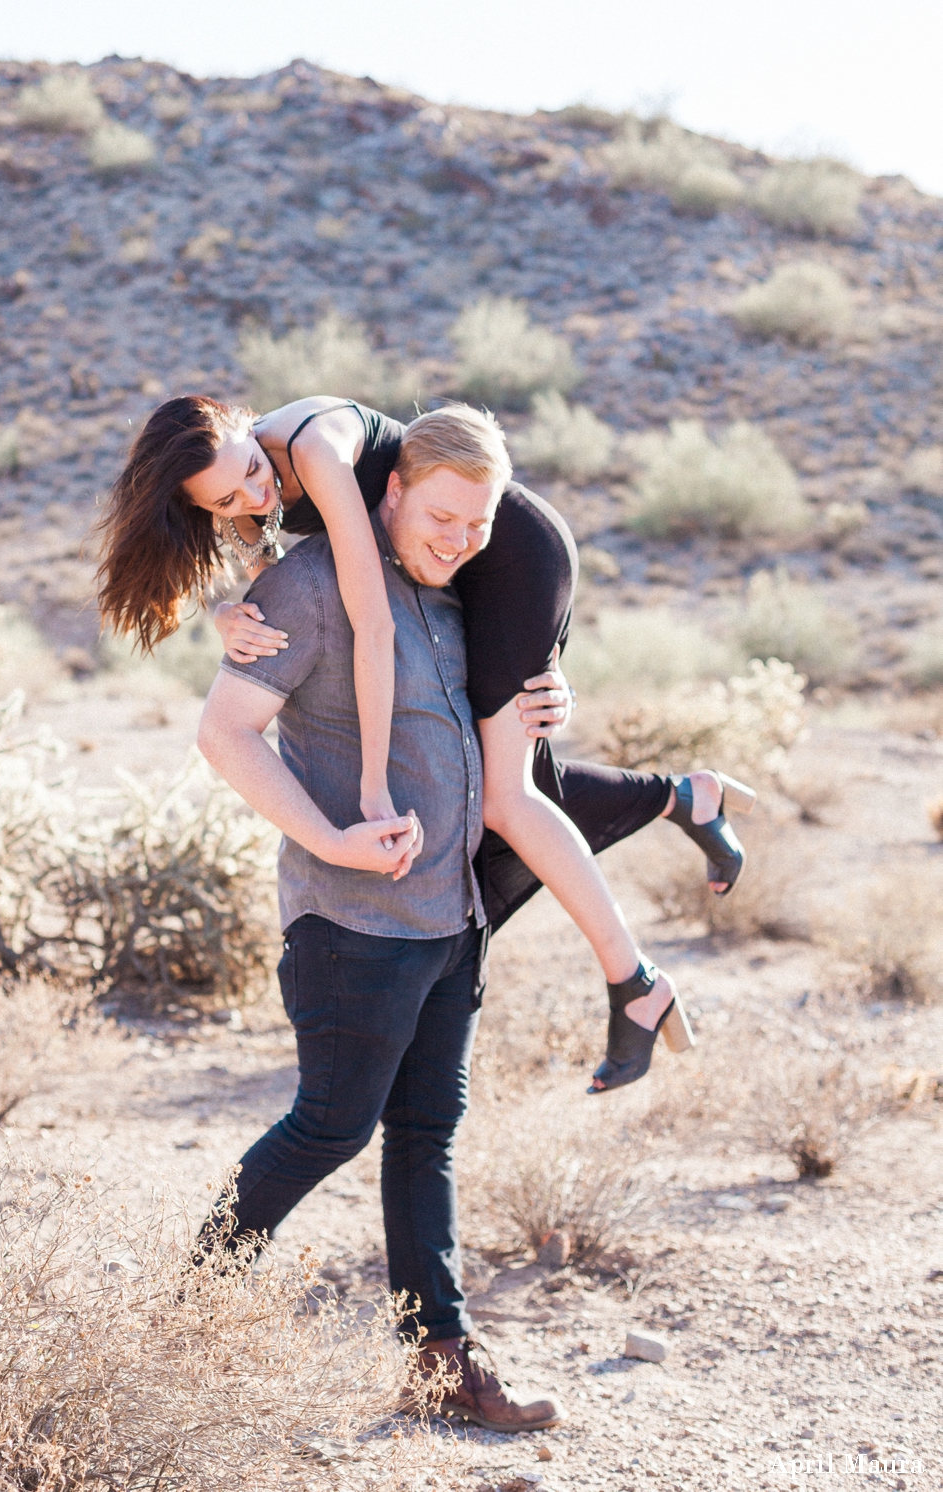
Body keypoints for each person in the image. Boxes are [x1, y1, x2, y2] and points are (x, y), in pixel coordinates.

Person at [97, 396, 755, 1092]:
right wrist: (227, 615)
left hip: (498, 544)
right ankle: (686, 798)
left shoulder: (314, 453)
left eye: (256, 475)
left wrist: (372, 786)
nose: (254, 499)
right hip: (436, 555)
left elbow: (372, 627)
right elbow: (282, 586)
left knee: (505, 797)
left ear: (247, 423)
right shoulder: (237, 489)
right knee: (479, 771)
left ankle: (635, 983)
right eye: (225, 499)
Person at [193, 413, 565, 1429]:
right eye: (440, 515)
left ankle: (441, 1362)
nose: (456, 538)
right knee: (330, 1125)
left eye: (476, 523)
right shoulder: (308, 587)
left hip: (449, 920)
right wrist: (330, 834)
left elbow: (481, 736)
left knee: (424, 1134)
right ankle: (182, 1310)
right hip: (352, 924)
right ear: (389, 487)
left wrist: (544, 700)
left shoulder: (452, 598)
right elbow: (222, 731)